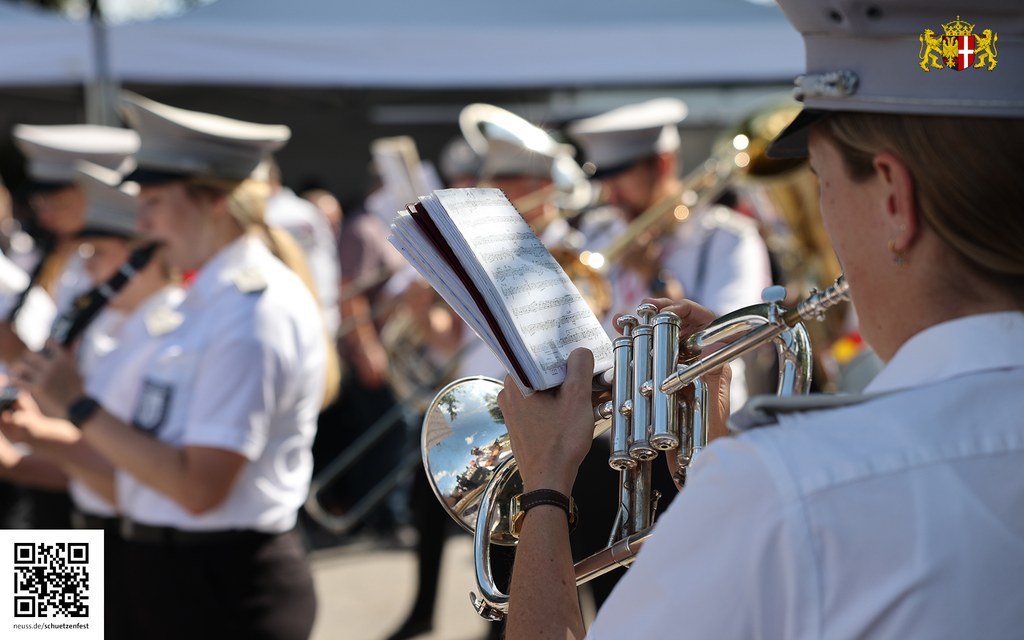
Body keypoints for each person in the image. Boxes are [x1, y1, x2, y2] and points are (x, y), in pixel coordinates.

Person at [496, 1, 1024, 638]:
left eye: (823, 183)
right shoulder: (777, 486)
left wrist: (547, 487)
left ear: (893, 198)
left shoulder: (788, 487)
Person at [8, 92, 329, 640]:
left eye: (154, 200)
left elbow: (196, 488)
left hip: (216, 578)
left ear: (213, 202)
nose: (142, 220)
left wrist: (63, 417)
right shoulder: (195, 307)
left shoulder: (251, 311)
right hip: (134, 550)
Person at [0, 161, 182, 640]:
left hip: (102, 518)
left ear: (143, 256)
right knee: (40, 632)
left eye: (98, 251)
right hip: (72, 505)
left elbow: (121, 459)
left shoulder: (157, 334)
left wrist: (23, 453)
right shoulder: (102, 312)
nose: (86, 265)